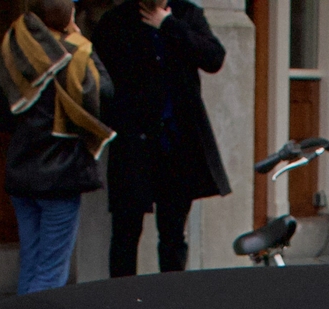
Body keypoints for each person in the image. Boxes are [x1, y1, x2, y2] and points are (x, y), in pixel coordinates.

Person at [91, 0, 230, 276]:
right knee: (126, 232)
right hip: (133, 143)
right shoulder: (116, 21)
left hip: (175, 144)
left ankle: (171, 302)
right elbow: (98, 79)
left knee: (173, 233)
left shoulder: (186, 15)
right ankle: (122, 303)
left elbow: (214, 57)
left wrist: (169, 26)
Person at [0, 0, 113, 295]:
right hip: (59, 173)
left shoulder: (13, 45)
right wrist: (80, 39)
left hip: (21, 168)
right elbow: (106, 92)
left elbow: (0, 111)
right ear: (66, 14)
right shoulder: (75, 51)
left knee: (32, 262)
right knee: (51, 270)